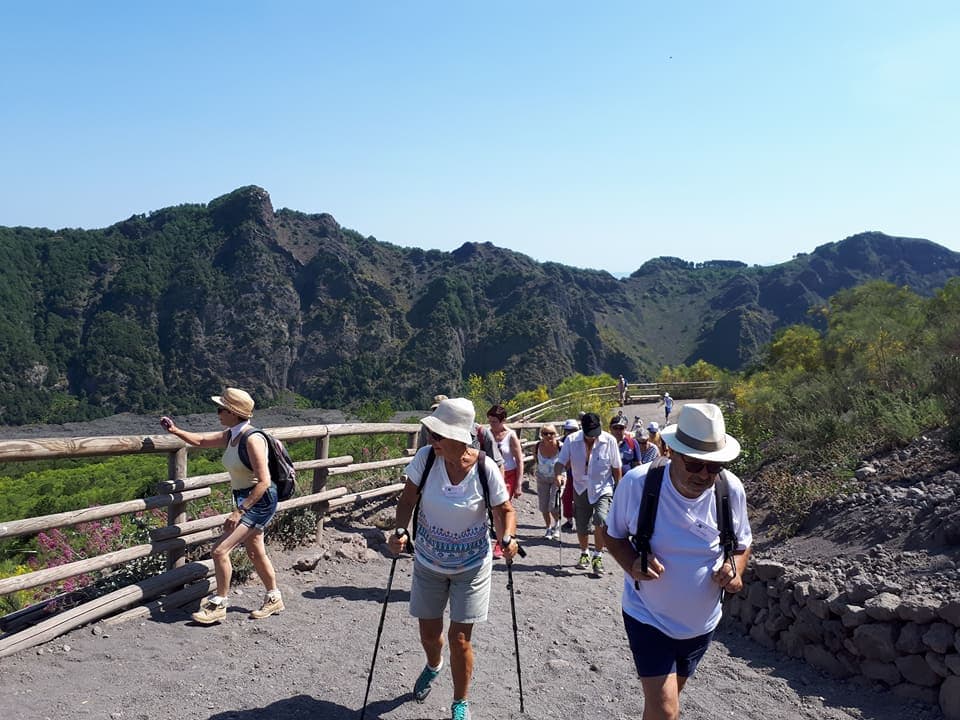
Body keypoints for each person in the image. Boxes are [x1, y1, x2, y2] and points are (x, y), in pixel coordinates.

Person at [605, 403, 752, 720]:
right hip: (648, 617)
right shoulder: (638, 484)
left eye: (714, 467)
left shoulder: (729, 490)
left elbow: (742, 544)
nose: (705, 475)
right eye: (695, 464)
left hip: (702, 625)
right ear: (671, 451)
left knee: (660, 706)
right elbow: (612, 535)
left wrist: (735, 571)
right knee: (667, 709)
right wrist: (632, 564)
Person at [388, 398, 519, 720]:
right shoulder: (426, 460)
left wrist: (509, 537)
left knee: (460, 639)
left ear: (459, 438)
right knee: (430, 636)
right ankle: (434, 664)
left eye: (437, 435)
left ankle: (460, 702)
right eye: (431, 434)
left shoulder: (485, 467)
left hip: (472, 565)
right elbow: (407, 500)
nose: (431, 440)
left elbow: (505, 510)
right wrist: (399, 530)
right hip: (429, 561)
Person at [160, 388, 283, 624]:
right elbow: (201, 440)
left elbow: (264, 481)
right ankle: (274, 597)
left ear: (234, 414)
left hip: (258, 500)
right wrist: (174, 430)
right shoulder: (232, 435)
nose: (217, 412)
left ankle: (219, 604)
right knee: (255, 550)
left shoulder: (252, 439)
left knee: (220, 550)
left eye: (221, 409)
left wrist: (240, 511)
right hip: (246, 498)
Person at [554, 412, 622, 577]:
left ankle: (597, 555)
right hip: (580, 487)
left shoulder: (609, 441)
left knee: (601, 518)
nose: (593, 437)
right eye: (589, 434)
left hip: (603, 487)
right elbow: (560, 462)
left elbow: (616, 467)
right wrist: (558, 475)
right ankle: (584, 553)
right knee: (582, 525)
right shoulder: (571, 441)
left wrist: (619, 489)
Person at [486, 404, 524, 500]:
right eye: (490, 421)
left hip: (508, 474)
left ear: (503, 421)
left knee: (503, 504)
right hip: (489, 473)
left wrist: (518, 484)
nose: (491, 424)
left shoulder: (511, 436)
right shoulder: (486, 434)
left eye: (494, 422)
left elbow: (519, 461)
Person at [534, 424, 564, 538]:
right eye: (545, 433)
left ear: (556, 434)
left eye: (551, 433)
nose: (548, 436)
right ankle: (548, 528)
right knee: (543, 506)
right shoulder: (537, 446)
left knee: (553, 505)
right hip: (542, 477)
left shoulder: (561, 446)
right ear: (541, 435)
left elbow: (568, 460)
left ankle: (557, 524)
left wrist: (562, 474)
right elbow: (535, 458)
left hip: (557, 478)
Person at [559, 418, 579, 533]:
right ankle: (570, 520)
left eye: (572, 430)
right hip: (568, 475)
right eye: (568, 430)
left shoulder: (583, 441)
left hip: (582, 475)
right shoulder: (562, 442)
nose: (570, 433)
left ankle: (584, 522)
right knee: (566, 498)